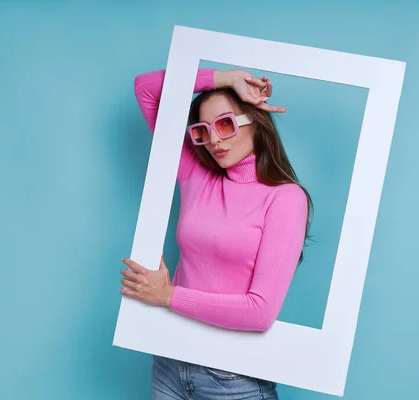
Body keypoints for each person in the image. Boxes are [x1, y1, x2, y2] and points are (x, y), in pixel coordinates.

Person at [119, 66, 313, 399]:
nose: (215, 140)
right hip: (170, 360)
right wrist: (225, 79)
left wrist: (167, 296)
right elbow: (146, 89)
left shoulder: (285, 198)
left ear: (256, 122)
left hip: (233, 379)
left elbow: (260, 311)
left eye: (226, 123)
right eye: (202, 131)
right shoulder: (196, 175)